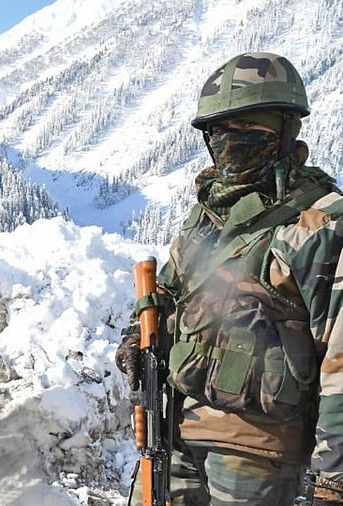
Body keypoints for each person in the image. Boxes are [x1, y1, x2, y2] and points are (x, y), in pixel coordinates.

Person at [115, 52, 343, 505]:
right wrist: (136, 336)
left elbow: (339, 358)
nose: (229, 139)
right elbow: (167, 294)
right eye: (218, 130)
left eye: (247, 126)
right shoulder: (207, 214)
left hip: (258, 451)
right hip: (174, 431)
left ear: (285, 128)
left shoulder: (321, 224)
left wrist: (332, 479)